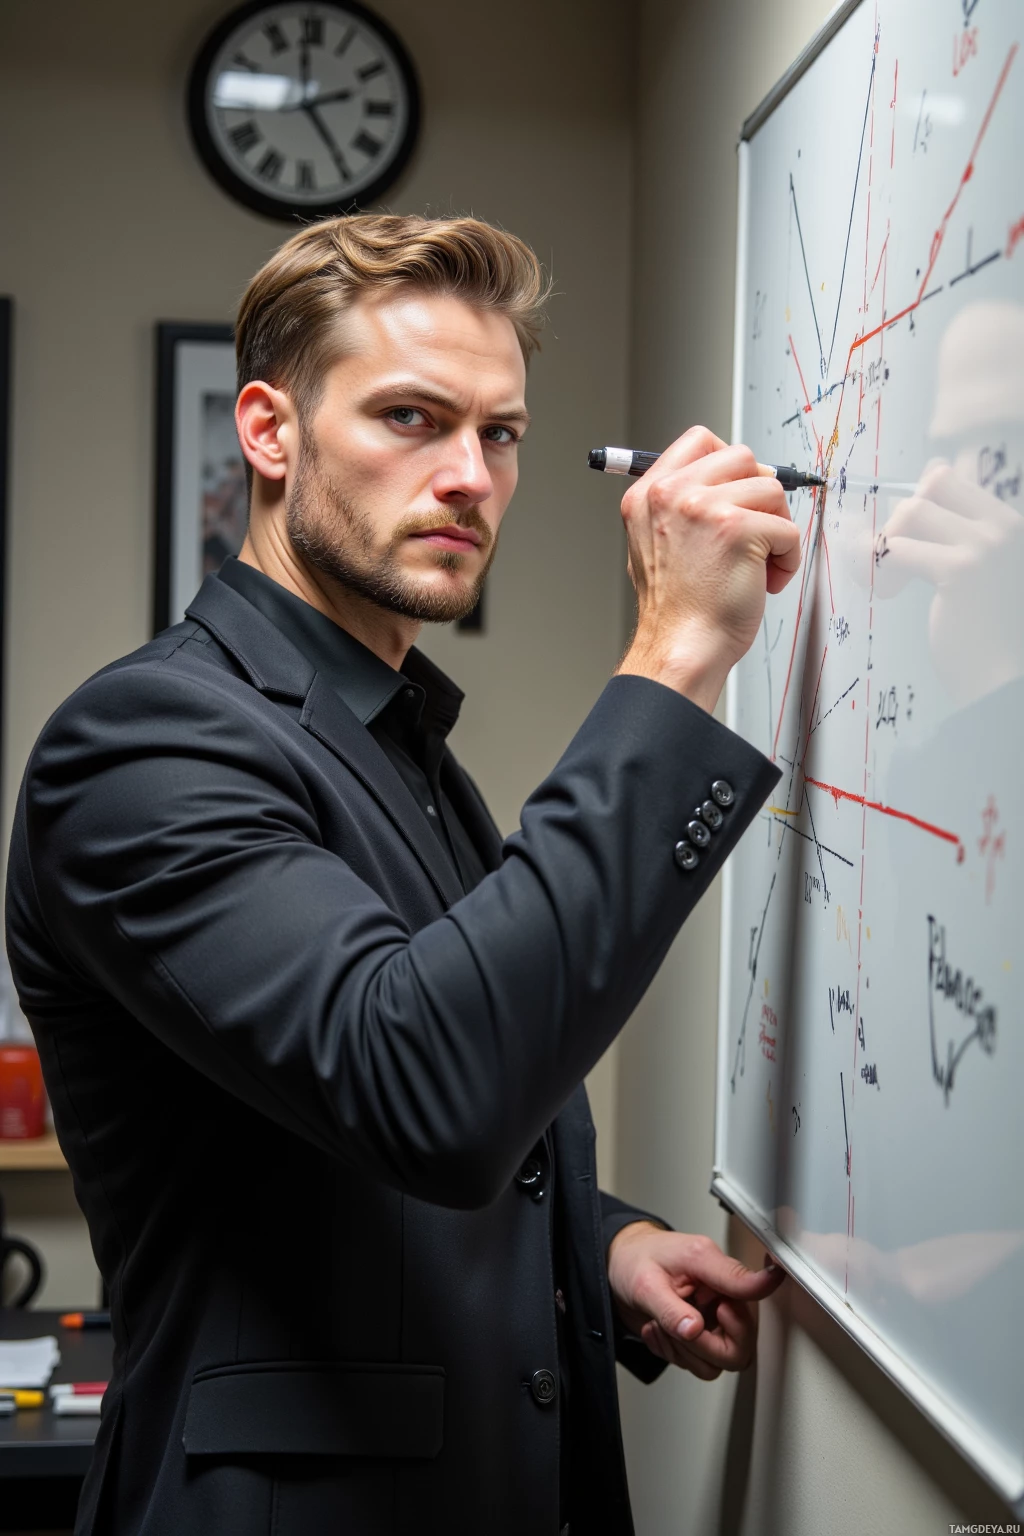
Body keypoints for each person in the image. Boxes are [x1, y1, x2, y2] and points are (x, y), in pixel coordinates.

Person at [5, 214, 800, 1536]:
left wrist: (598, 1247)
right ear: (270, 431)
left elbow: (335, 1140)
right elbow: (426, 1085)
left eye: (499, 434)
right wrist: (671, 658)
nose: (470, 477)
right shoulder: (144, 744)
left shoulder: (391, 737)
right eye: (412, 419)